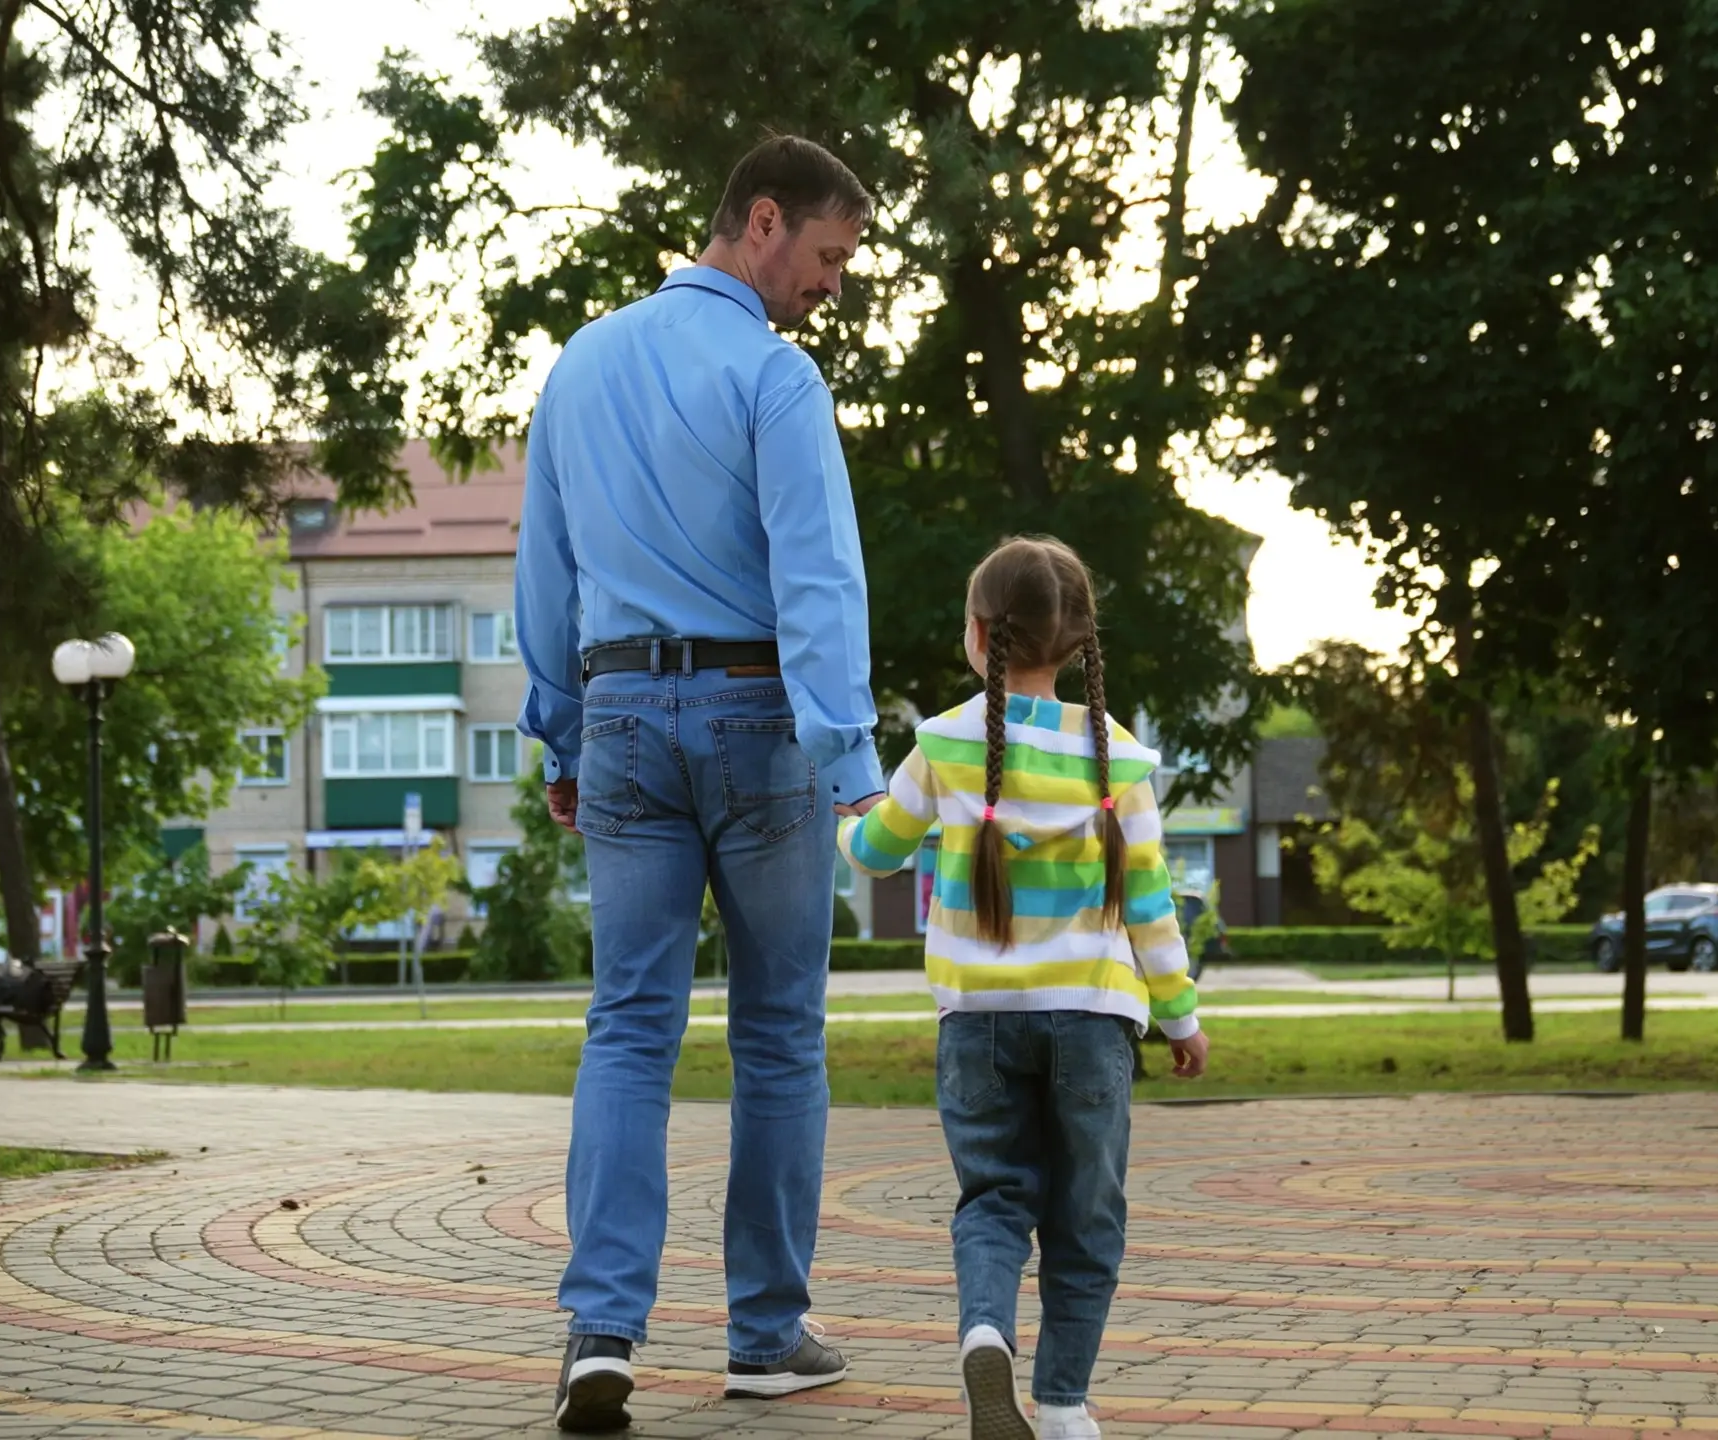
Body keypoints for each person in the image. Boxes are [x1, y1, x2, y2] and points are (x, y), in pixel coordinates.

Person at [514, 134, 883, 1432]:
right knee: (777, 1032)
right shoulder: (775, 379)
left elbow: (545, 572)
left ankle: (600, 1333)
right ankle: (766, 1337)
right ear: (762, 221)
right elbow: (817, 580)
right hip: (755, 718)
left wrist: (561, 735)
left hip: (620, 715)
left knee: (627, 1025)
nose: (830, 285)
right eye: (828, 256)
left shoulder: (581, 363)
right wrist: (852, 765)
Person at [837, 536, 1209, 1440]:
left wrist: (849, 821)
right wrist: (1180, 1017)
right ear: (1079, 641)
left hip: (978, 1023)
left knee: (995, 1198)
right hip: (1094, 1022)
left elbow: (878, 854)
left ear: (978, 634)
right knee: (1088, 1216)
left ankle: (984, 1332)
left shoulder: (943, 743)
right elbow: (1151, 905)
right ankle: (1066, 1403)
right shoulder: (1119, 760)